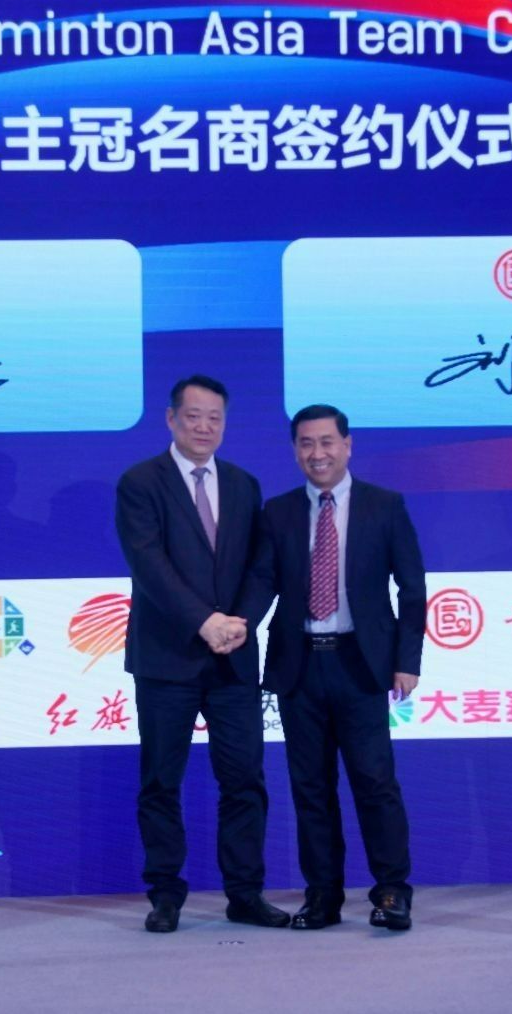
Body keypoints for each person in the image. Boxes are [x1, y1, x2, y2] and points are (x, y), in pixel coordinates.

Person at [237, 403, 424, 931]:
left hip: (361, 665)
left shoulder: (384, 505)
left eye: (326, 442)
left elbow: (412, 588)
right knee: (310, 789)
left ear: (347, 445)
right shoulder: (278, 511)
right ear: (295, 450)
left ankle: (391, 891)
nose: (316, 453)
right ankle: (323, 897)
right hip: (299, 666)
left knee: (375, 783)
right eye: (305, 443)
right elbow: (262, 580)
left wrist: (407, 660)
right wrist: (238, 624)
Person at [114, 375, 291, 933]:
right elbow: (149, 565)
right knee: (161, 782)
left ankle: (245, 893)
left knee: (244, 780)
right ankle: (165, 895)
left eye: (215, 417)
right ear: (171, 419)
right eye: (193, 416)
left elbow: (261, 566)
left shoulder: (243, 484)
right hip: (166, 659)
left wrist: (241, 622)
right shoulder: (140, 482)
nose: (204, 427)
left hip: (233, 658)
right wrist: (203, 621)